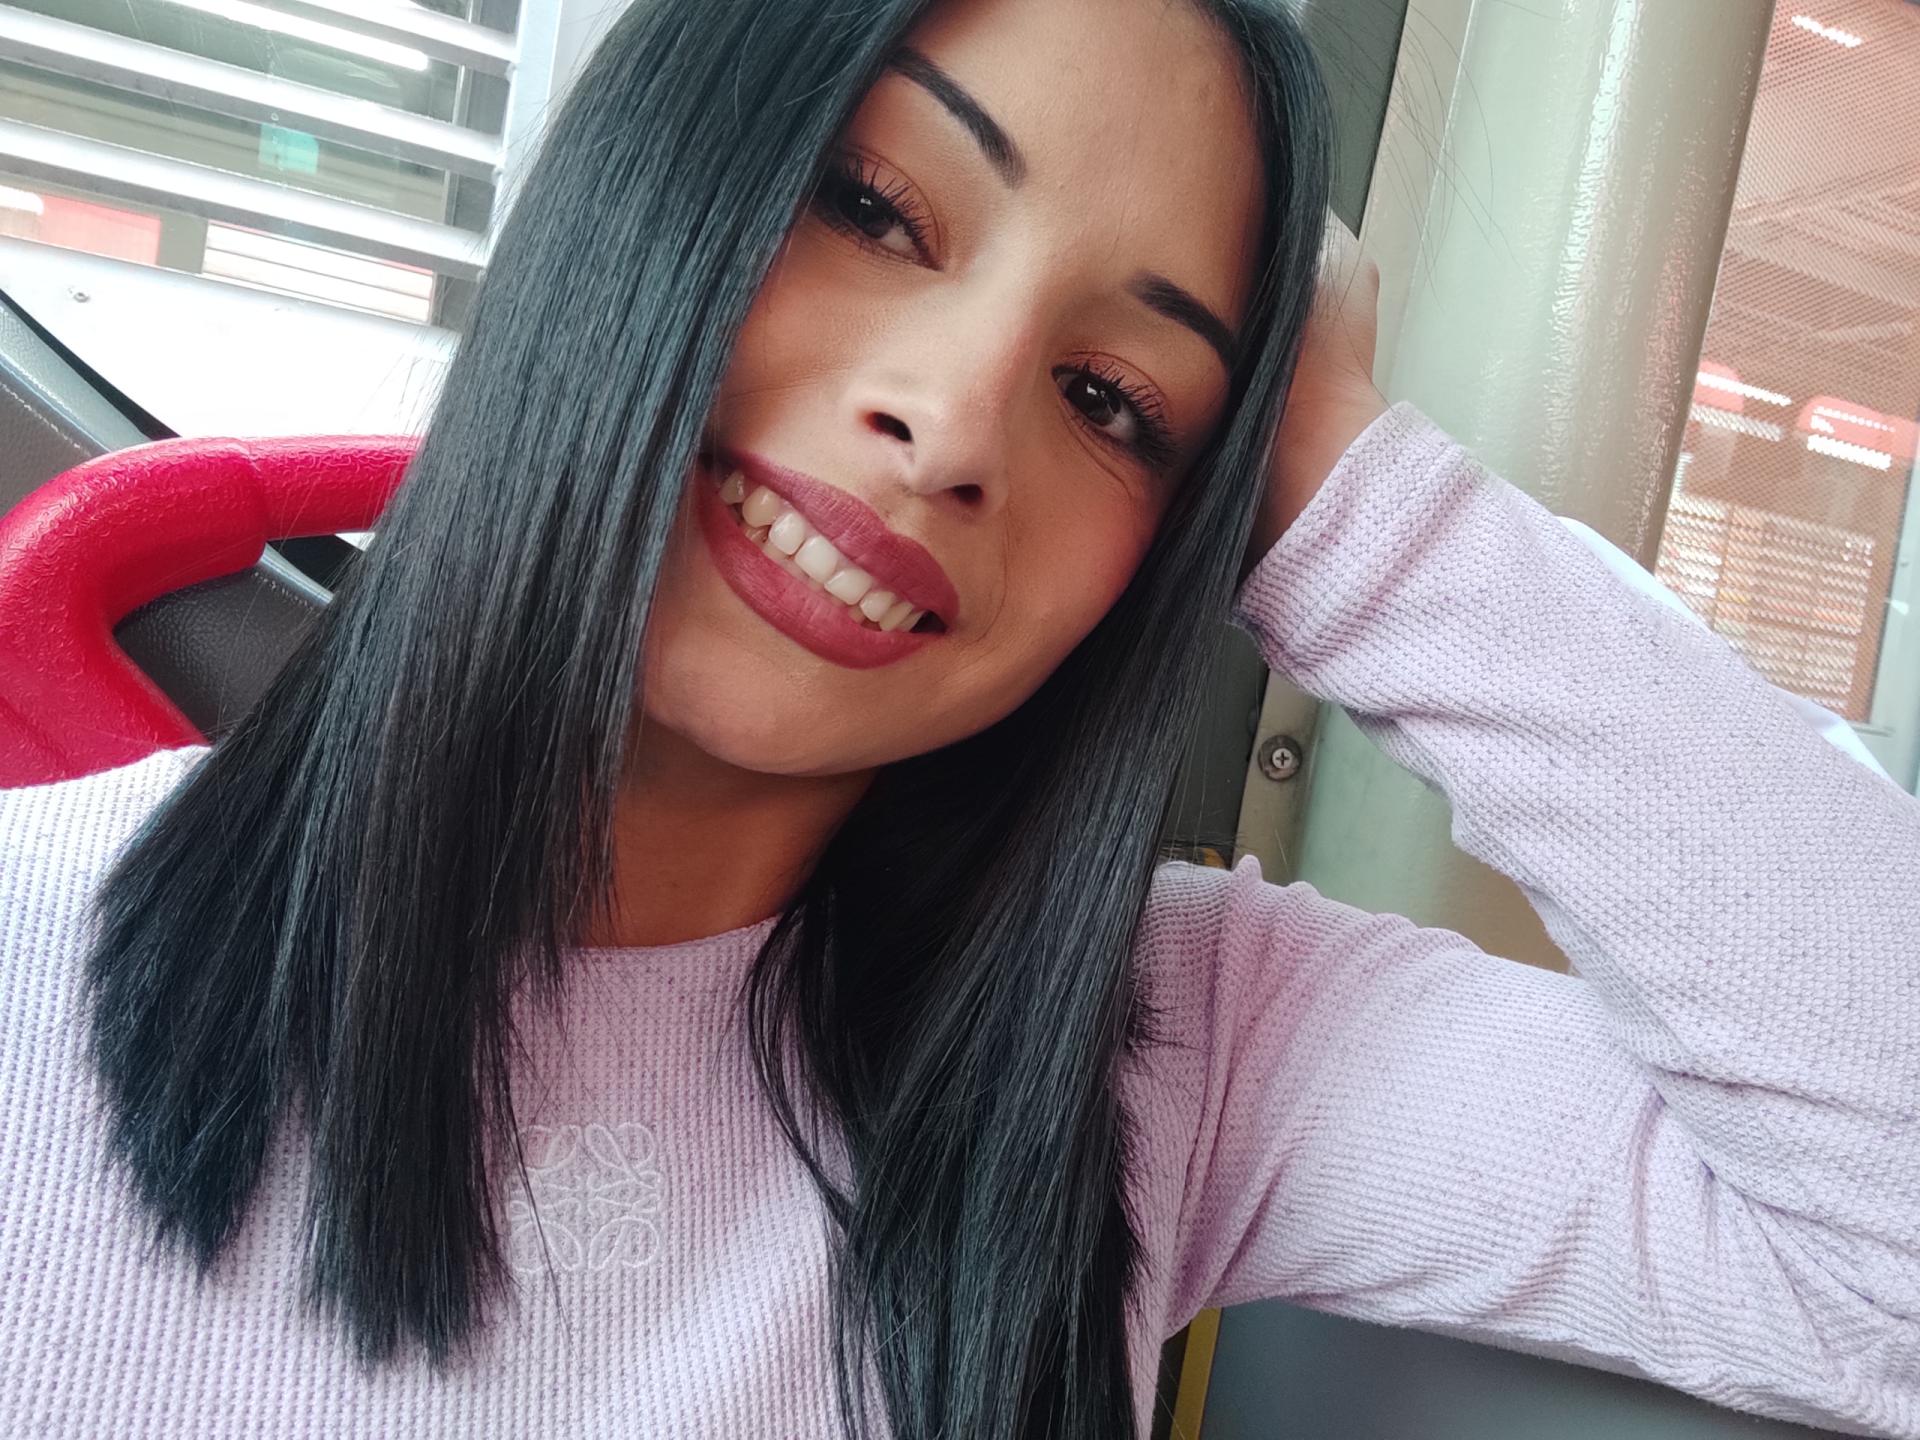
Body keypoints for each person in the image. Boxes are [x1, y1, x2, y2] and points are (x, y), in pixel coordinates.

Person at [0, 0, 1914, 1436]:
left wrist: (1346, 490)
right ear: (645, 179)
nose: (952, 420)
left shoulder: (1168, 1050)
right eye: (873, 206)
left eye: (1116, 401)